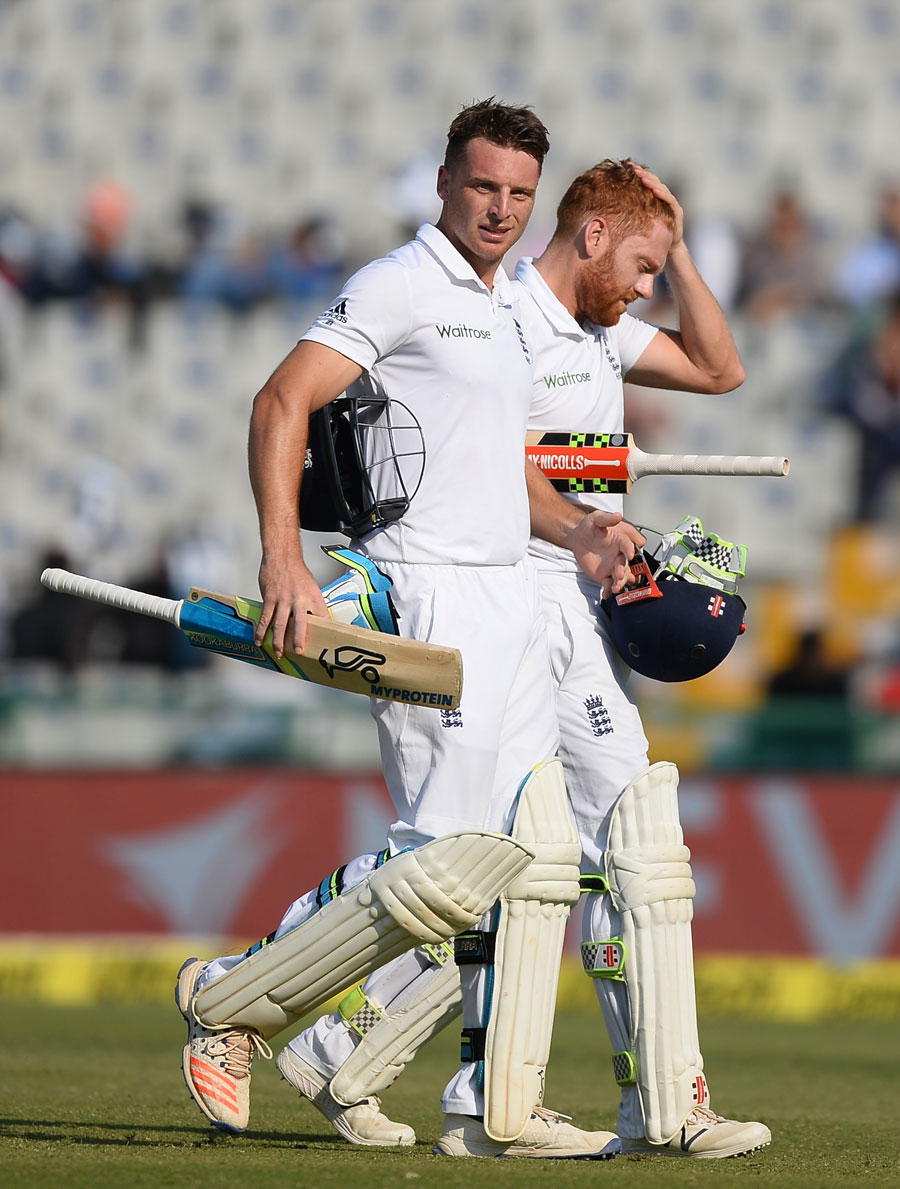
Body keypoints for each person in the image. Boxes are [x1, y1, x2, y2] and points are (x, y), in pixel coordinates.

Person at [175, 99, 642, 1159]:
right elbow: (279, 400)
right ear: (444, 183)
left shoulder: (503, 305)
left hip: (513, 601)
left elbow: (504, 471)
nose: (503, 210)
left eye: (521, 194)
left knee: (522, 860)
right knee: (438, 856)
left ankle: (465, 1089)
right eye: (485, 187)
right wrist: (283, 556)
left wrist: (581, 530)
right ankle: (229, 998)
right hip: (430, 592)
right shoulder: (401, 282)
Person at [284, 160, 772, 1160]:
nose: (645, 287)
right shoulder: (510, 319)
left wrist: (675, 249)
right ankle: (643, 1103)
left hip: (575, 595)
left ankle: (362, 1051)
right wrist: (591, 497)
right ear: (592, 235)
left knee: (546, 855)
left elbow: (723, 371)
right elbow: (490, 455)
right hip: (521, 589)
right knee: (593, 843)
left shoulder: (600, 327)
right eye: (638, 262)